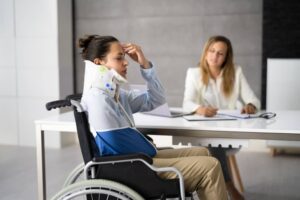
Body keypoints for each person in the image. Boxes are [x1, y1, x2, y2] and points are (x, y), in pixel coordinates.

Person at [79, 34, 228, 200]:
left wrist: (145, 65)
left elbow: (156, 99)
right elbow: (116, 143)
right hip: (132, 168)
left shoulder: (116, 95)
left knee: (204, 152)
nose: (126, 62)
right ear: (99, 63)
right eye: (119, 58)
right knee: (210, 167)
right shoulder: (98, 98)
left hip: (138, 160)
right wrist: (147, 145)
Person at [183, 35, 260, 200]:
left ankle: (222, 189)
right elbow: (186, 103)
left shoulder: (236, 72)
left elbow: (253, 99)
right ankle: (229, 187)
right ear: (205, 52)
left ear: (226, 57)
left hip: (229, 134)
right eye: (211, 51)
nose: (214, 56)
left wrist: (250, 107)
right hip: (203, 133)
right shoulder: (194, 73)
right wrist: (200, 108)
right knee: (210, 141)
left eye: (220, 53)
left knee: (212, 143)